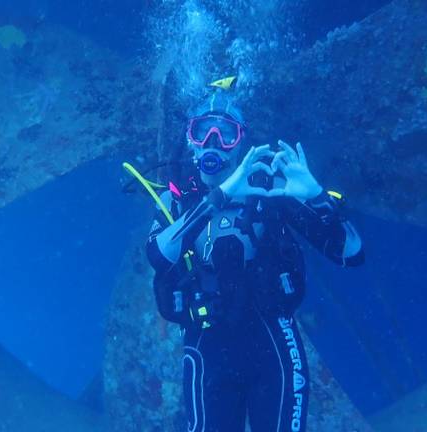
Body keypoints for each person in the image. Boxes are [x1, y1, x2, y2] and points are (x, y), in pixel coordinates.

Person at [145, 91, 364, 432]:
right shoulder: (174, 201)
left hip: (274, 344)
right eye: (203, 130)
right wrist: (221, 195)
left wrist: (317, 197)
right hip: (207, 349)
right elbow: (159, 255)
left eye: (226, 133)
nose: (213, 143)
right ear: (191, 139)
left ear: (241, 140)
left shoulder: (270, 191)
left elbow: (351, 254)